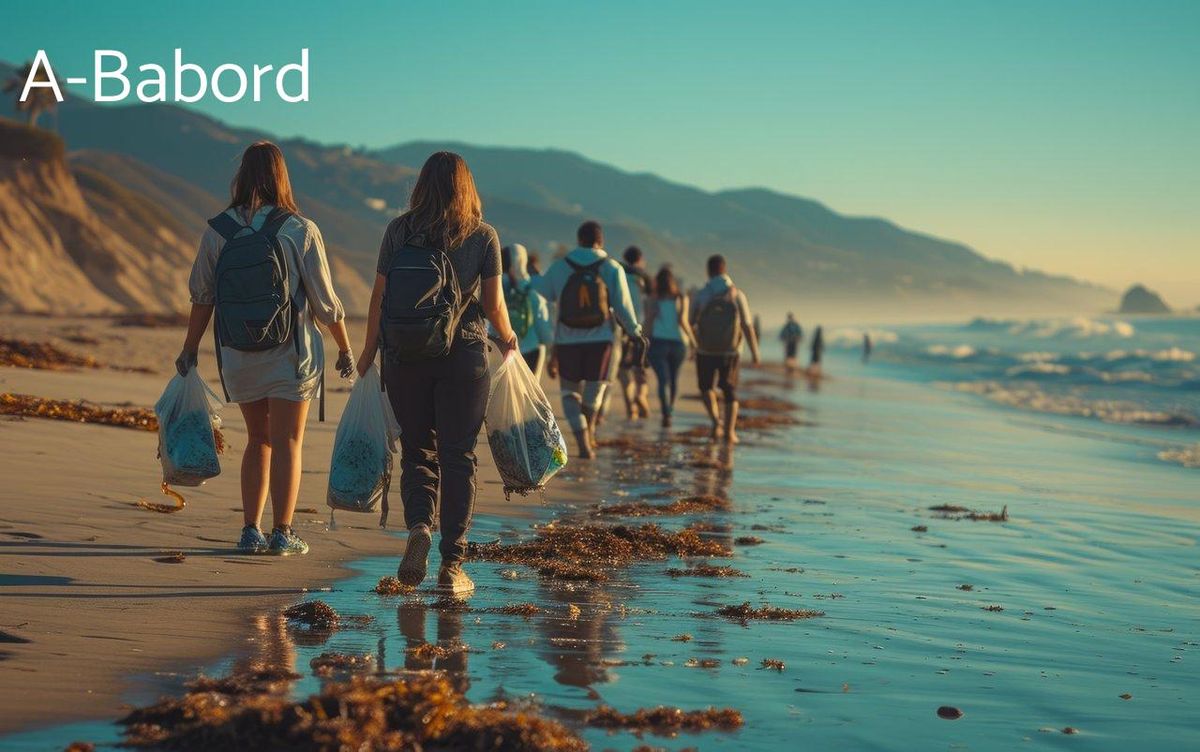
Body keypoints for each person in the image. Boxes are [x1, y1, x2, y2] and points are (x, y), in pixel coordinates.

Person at [177, 141, 353, 556]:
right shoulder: (300, 229)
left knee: (258, 439)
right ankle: (282, 532)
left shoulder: (217, 230)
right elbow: (325, 303)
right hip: (291, 355)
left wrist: (189, 350)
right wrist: (346, 348)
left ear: (241, 176)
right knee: (288, 440)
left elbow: (202, 296)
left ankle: (250, 530)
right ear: (281, 177)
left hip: (238, 354)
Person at [357, 151, 518, 595]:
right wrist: (507, 338)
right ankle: (452, 564)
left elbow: (379, 297)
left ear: (421, 185)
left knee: (417, 451)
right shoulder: (483, 235)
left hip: (404, 356)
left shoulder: (398, 230)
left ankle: (418, 530)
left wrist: (369, 352)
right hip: (463, 355)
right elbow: (493, 305)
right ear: (467, 187)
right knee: (458, 457)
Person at [533, 220, 643, 459]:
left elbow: (542, 292)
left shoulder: (560, 266)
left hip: (567, 340)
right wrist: (635, 332)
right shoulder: (612, 268)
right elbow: (623, 307)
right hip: (601, 339)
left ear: (579, 239)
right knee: (595, 390)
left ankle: (583, 440)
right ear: (600, 241)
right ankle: (590, 431)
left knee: (569, 393)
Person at [690, 254, 760, 443]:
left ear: (708, 271)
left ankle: (715, 421)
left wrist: (692, 345)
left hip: (705, 349)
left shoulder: (701, 293)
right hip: (731, 350)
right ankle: (729, 432)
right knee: (729, 389)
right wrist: (755, 352)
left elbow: (690, 322)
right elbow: (746, 324)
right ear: (724, 269)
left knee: (705, 387)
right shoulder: (737, 294)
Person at [644, 265, 697, 427]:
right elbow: (683, 322)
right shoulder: (681, 297)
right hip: (678, 343)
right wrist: (694, 343)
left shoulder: (653, 299)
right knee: (674, 379)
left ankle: (665, 412)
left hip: (658, 342)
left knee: (662, 380)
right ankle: (671, 409)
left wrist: (643, 342)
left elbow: (649, 322)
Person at [501, 243, 554, 378]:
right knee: (529, 392)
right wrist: (551, 350)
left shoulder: (497, 289)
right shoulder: (532, 290)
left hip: (502, 349)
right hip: (531, 349)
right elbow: (542, 327)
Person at [616, 246, 652, 420]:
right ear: (640, 259)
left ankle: (630, 406)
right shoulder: (644, 278)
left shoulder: (617, 273)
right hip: (640, 328)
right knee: (640, 369)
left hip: (619, 326)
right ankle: (640, 396)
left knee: (623, 369)